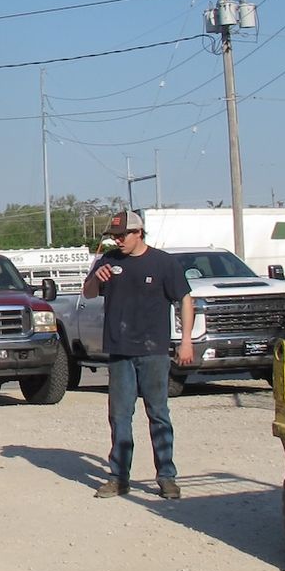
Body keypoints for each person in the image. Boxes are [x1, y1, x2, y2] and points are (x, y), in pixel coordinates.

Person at [82, 211, 195, 500]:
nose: (117, 241)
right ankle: (119, 478)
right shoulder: (109, 261)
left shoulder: (163, 263)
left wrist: (185, 342)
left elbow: (185, 299)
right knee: (120, 416)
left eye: (123, 236)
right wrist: (96, 276)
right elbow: (89, 292)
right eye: (114, 236)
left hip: (153, 350)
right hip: (120, 350)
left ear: (139, 233)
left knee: (158, 414)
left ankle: (167, 477)